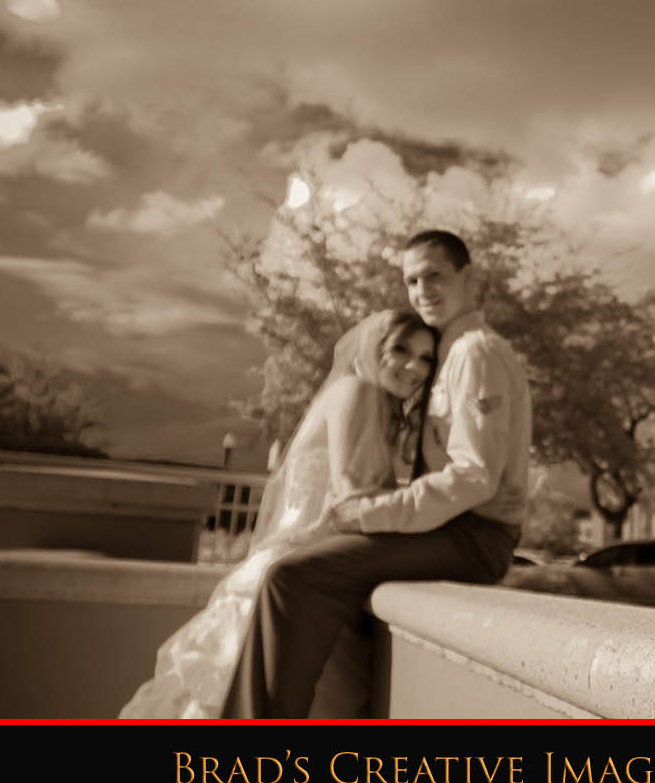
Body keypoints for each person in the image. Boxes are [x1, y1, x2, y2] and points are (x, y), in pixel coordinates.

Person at [221, 229, 532, 719]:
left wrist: (368, 513)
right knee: (305, 573)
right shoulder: (450, 352)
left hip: (474, 537)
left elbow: (474, 476)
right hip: (454, 528)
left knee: (293, 578)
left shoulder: (474, 352)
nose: (422, 290)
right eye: (411, 280)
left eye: (434, 275)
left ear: (467, 277)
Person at [118, 309, 437, 719]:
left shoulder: (366, 400)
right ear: (375, 349)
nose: (415, 367)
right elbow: (353, 495)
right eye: (402, 350)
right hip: (303, 570)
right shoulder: (358, 391)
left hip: (289, 560)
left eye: (426, 358)